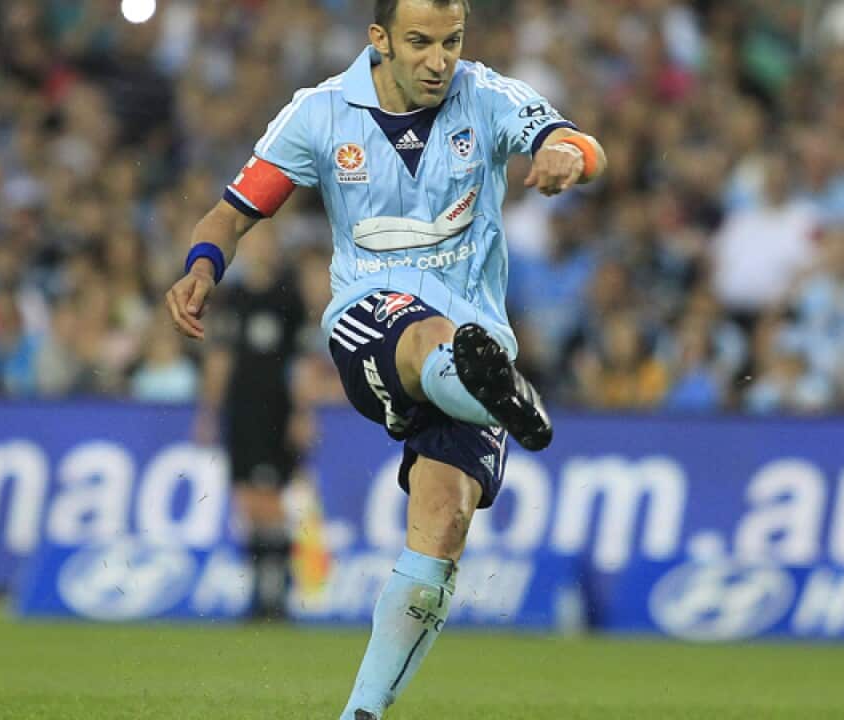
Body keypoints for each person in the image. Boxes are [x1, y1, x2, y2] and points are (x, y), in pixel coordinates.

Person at [162, 2, 607, 718]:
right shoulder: (321, 114)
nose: (440, 60)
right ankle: (490, 392)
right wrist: (202, 266)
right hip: (370, 319)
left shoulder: (487, 96)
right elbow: (234, 211)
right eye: (421, 43)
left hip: (479, 335)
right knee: (428, 336)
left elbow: (578, 142)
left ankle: (360, 713)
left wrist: (568, 156)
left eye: (452, 42)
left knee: (443, 530)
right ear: (381, 40)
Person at [196, 225, 306, 620]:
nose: (261, 249)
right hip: (239, 411)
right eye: (255, 243)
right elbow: (220, 357)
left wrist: (301, 412)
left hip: (274, 411)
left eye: (267, 241)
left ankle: (276, 594)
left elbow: (300, 363)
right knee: (246, 501)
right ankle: (259, 594)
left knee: (270, 500)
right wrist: (210, 411)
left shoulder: (287, 299)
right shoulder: (233, 299)